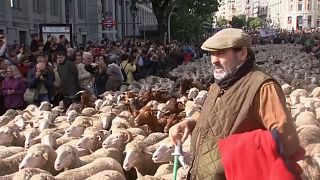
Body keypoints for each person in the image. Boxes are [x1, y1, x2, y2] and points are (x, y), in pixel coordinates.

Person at [169, 28, 301, 179]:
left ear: (242, 53)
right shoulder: (221, 82)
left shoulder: (263, 87)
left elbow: (287, 140)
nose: (214, 60)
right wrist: (191, 123)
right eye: (212, 54)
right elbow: (218, 116)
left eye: (220, 53)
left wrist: (237, 151)